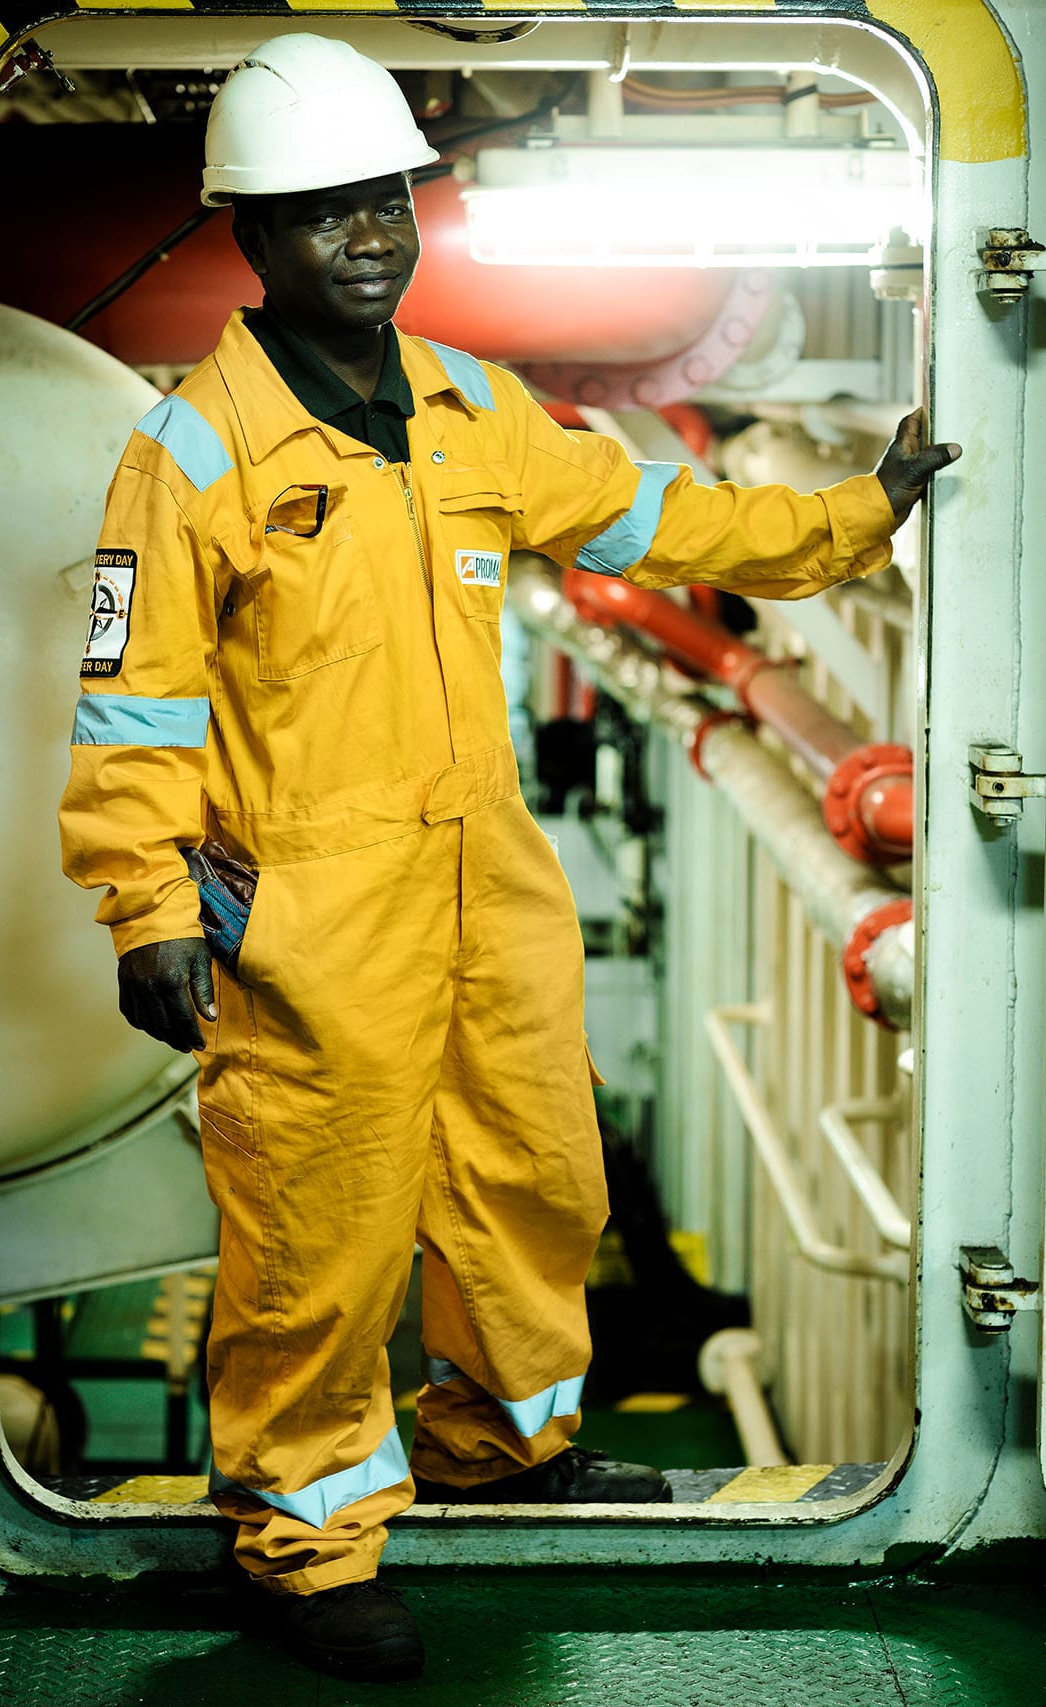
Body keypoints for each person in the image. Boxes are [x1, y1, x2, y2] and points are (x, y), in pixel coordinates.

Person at [58, 32, 960, 1684]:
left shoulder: (473, 406)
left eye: (387, 204)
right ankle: (304, 1543)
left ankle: (503, 1441)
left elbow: (653, 518)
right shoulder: (188, 458)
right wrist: (147, 908)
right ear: (249, 238)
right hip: (313, 909)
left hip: (489, 879)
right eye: (325, 216)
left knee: (536, 1178)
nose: (371, 240)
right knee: (317, 1233)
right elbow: (134, 705)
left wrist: (853, 515)